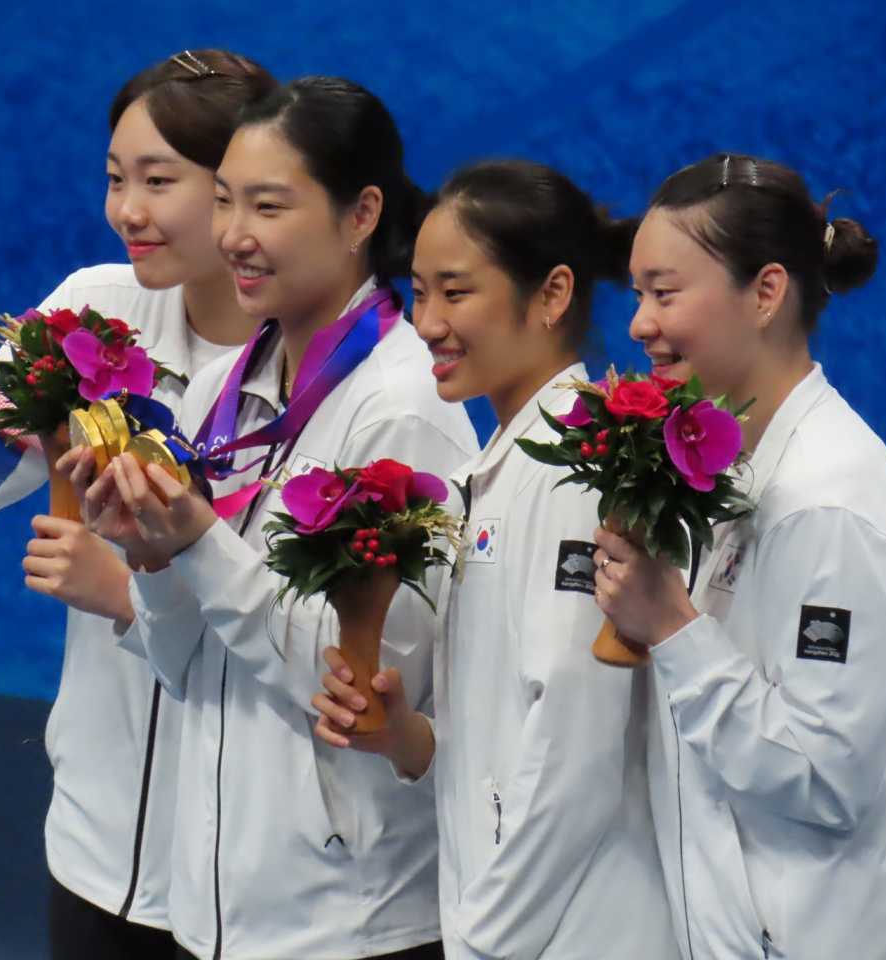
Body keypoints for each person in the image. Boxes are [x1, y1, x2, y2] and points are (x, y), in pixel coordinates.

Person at [0, 49, 277, 959]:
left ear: (240, 188)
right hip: (93, 847)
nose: (127, 210)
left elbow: (315, 644)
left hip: (260, 876)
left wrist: (125, 595)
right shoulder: (88, 317)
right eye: (116, 178)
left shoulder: (330, 365)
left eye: (158, 180)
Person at [70, 76, 477, 959]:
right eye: (224, 201)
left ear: (361, 213)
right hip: (217, 909)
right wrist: (153, 559)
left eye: (267, 205)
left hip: (345, 922)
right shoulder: (226, 389)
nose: (234, 235)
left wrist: (199, 543)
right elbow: (182, 666)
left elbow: (365, 689)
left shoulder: (403, 410)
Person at [591, 152, 886, 959]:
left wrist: (673, 630)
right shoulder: (738, 469)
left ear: (765, 292)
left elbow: (822, 779)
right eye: (636, 294)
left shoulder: (830, 502)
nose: (639, 325)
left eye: (665, 293)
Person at [310, 159, 679, 959]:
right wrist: (408, 738)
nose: (426, 323)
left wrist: (485, 944)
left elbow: (577, 748)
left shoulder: (581, 474)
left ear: (552, 294)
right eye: (418, 293)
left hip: (564, 934)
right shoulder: (504, 466)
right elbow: (502, 738)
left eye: (456, 292)